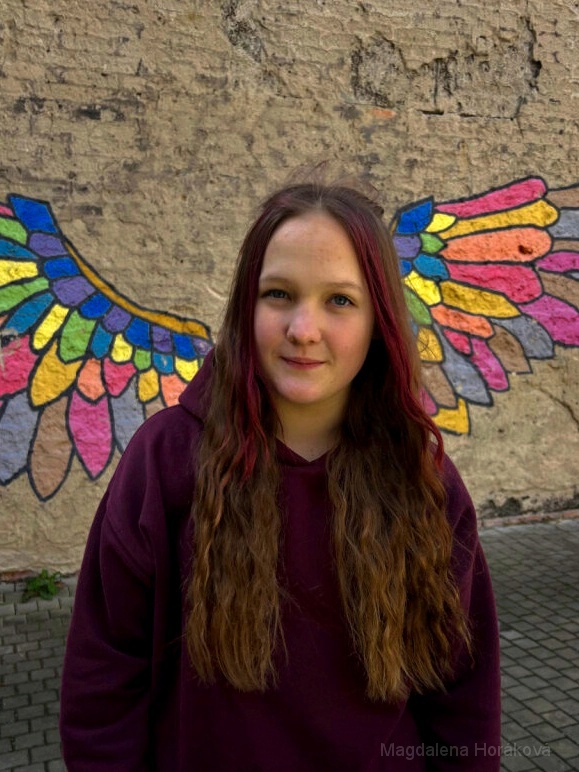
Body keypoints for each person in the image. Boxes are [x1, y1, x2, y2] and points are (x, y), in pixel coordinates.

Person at [60, 179, 501, 771]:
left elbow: (463, 694)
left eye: (339, 300)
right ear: (247, 305)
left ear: (379, 321)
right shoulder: (165, 460)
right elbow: (104, 677)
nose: (303, 329)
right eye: (279, 294)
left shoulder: (424, 482)